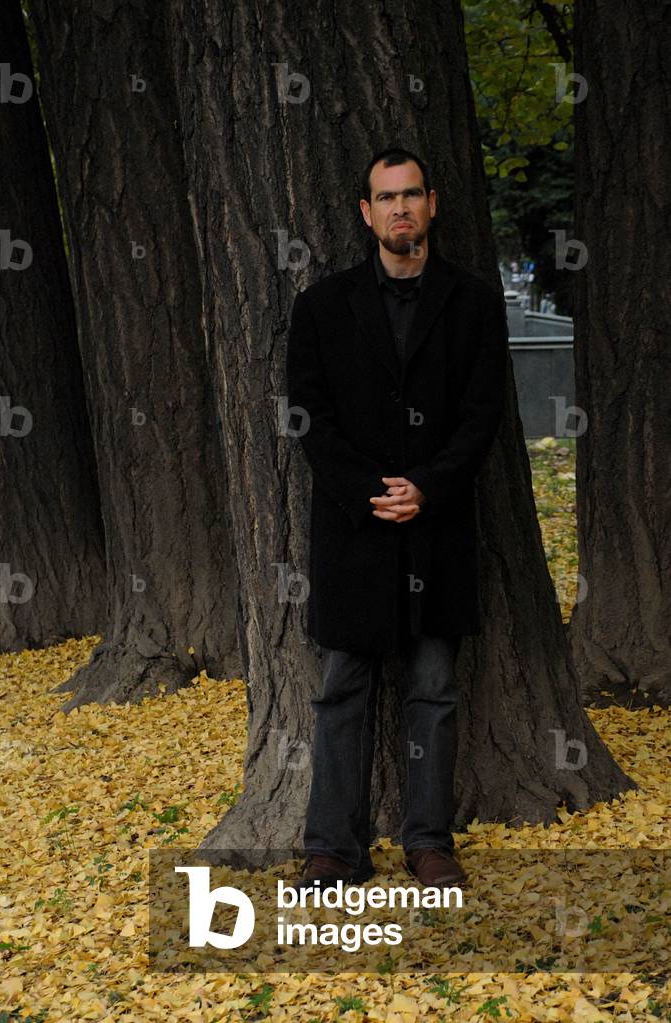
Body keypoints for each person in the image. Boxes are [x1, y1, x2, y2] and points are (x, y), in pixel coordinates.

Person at [285, 146, 508, 893]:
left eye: (411, 194)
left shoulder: (472, 302)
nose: (400, 208)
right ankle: (331, 846)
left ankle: (428, 840)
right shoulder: (322, 305)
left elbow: (482, 417)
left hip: (436, 528)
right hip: (353, 531)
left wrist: (429, 487)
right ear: (365, 212)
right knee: (342, 688)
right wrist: (366, 492)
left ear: (432, 204)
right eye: (386, 197)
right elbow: (309, 415)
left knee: (435, 688)